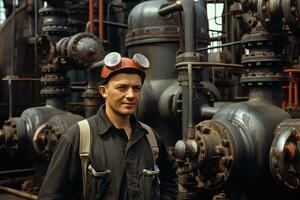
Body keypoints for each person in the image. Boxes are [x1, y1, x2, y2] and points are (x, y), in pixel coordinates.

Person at [38, 52, 178, 200]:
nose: (131, 95)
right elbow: (51, 195)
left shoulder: (150, 137)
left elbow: (170, 177)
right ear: (104, 91)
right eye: (122, 88)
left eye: (136, 88)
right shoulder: (78, 137)